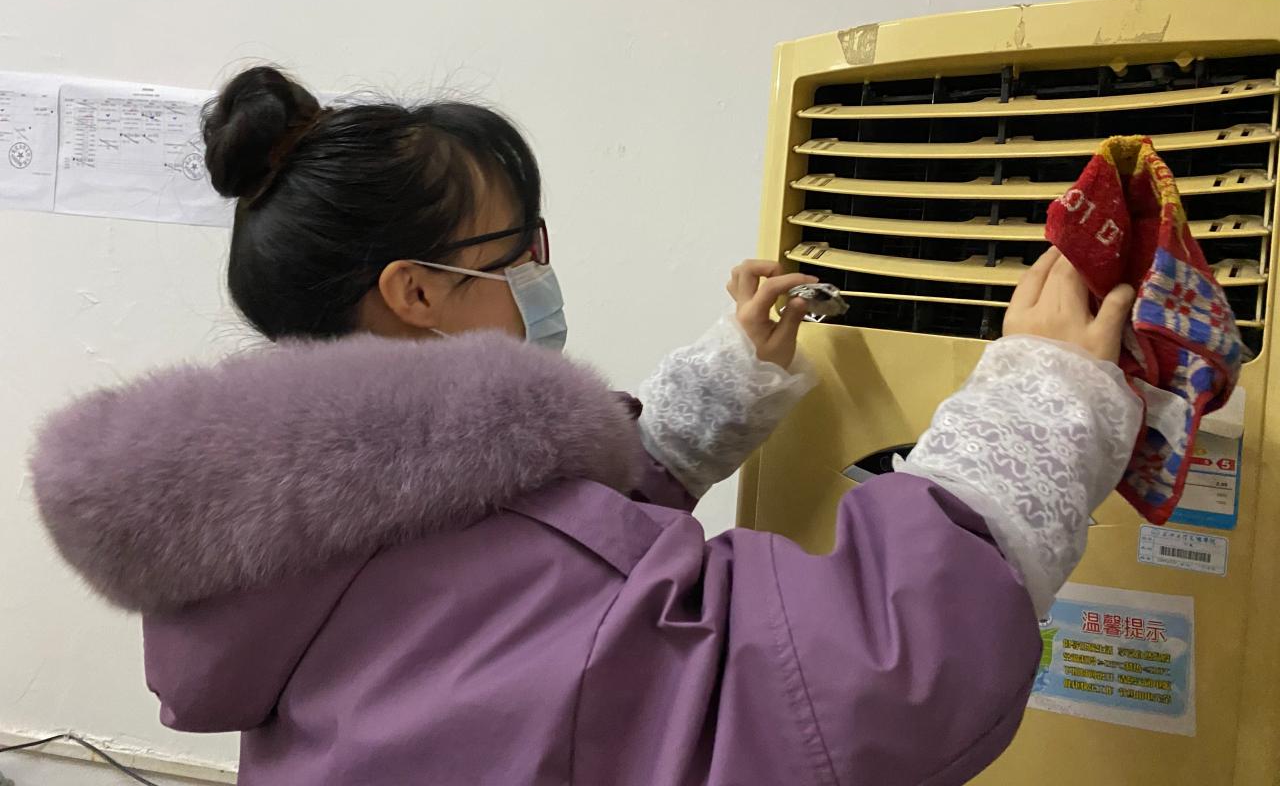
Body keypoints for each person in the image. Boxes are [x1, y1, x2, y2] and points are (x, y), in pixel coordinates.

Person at [29, 66, 1140, 786]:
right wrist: (1035, 407)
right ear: (415, 292)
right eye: (522, 247)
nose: (541, 271)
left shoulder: (289, 525)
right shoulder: (485, 557)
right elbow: (867, 681)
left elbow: (530, 570)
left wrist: (706, 400)